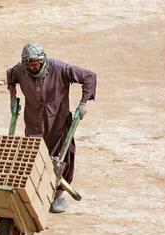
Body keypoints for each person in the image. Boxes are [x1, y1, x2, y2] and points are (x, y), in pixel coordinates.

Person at [6, 42, 97, 213]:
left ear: (42, 60)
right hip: (34, 124)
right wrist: (13, 98)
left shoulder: (59, 68)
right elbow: (10, 76)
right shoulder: (21, 70)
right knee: (33, 159)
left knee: (63, 158)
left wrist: (83, 103)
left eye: (36, 63)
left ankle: (58, 195)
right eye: (30, 64)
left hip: (58, 123)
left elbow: (89, 76)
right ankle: (34, 194)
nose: (33, 66)